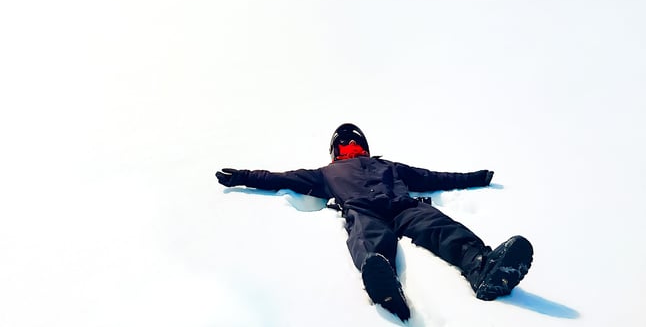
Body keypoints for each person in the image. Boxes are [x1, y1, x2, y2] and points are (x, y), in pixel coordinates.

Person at [215, 123, 533, 321]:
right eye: (345, 145)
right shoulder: (326, 174)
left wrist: (477, 177)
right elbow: (279, 177)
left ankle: (483, 268)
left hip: (404, 207)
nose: (350, 148)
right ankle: (382, 281)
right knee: (366, 236)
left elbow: (433, 177)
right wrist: (242, 177)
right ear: (336, 151)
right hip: (363, 210)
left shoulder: (389, 166)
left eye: (355, 144)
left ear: (364, 147)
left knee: (438, 225)